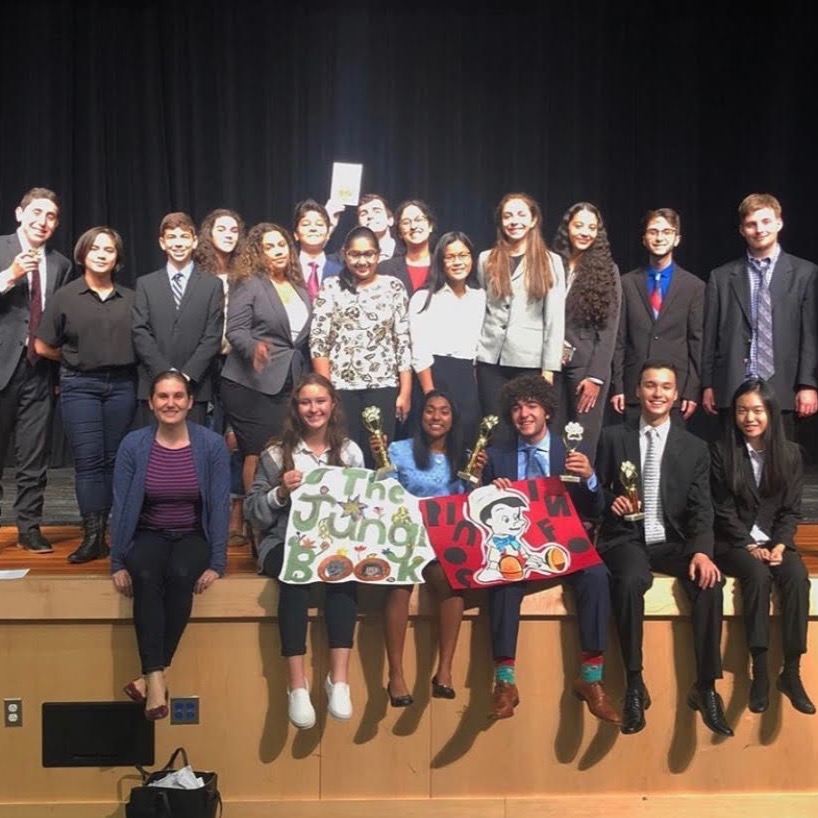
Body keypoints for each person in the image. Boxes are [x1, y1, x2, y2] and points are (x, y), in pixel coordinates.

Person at [595, 360, 731, 736]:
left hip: (673, 541)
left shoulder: (695, 448)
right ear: (637, 391)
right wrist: (609, 501)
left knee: (710, 582)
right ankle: (634, 684)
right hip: (626, 537)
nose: (657, 393)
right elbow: (595, 492)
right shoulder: (613, 437)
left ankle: (706, 686)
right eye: (650, 385)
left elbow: (702, 508)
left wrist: (701, 551)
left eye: (666, 387)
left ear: (676, 395)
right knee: (629, 581)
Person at [481, 374, 618, 724]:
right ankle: (505, 683)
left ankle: (591, 679)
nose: (524, 414)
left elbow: (597, 509)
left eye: (531, 406)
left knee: (597, 575)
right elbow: (479, 516)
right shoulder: (496, 457)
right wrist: (491, 492)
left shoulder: (571, 451)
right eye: (516, 408)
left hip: (563, 545)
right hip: (517, 548)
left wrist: (589, 478)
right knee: (502, 579)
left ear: (547, 412)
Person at [244, 373, 365, 729]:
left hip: (334, 545)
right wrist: (280, 492)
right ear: (296, 408)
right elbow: (253, 513)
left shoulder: (351, 452)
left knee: (343, 575)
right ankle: (296, 686)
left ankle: (338, 680)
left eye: (320, 401)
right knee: (295, 575)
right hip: (282, 544)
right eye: (306, 402)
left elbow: (362, 509)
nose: (314, 409)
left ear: (333, 405)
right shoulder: (275, 453)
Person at [110, 370, 229, 720]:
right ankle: (156, 677)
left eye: (178, 396)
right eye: (163, 396)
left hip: (192, 534)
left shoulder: (211, 445)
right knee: (146, 575)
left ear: (191, 402)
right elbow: (121, 505)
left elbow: (220, 506)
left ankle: (150, 678)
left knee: (180, 575)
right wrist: (117, 562)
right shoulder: (133, 445)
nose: (170, 403)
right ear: (151, 403)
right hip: (148, 532)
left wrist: (217, 562)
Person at [371, 390, 484, 705]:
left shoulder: (465, 456)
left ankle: (444, 670)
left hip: (443, 541)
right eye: (430, 410)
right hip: (404, 538)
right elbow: (383, 494)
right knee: (399, 585)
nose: (436, 417)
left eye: (444, 411)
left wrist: (477, 477)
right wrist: (378, 460)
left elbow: (471, 503)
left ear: (453, 418)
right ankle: (395, 675)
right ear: (420, 415)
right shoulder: (398, 450)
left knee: (451, 583)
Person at [712, 379, 814, 715]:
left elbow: (791, 510)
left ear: (770, 412)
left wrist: (782, 545)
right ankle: (759, 670)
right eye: (742, 410)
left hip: (774, 541)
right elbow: (722, 509)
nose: (749, 418)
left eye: (757, 410)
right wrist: (747, 543)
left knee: (797, 578)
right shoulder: (722, 452)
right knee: (756, 576)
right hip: (733, 542)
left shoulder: (790, 454)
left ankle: (791, 671)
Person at [35, 227, 136, 564]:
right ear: (83, 254)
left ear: (117, 258)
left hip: (121, 386)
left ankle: (114, 531)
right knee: (89, 460)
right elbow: (42, 345)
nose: (102, 254)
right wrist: (73, 358)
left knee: (113, 460)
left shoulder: (131, 299)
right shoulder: (66, 296)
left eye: (109, 249)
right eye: (95, 248)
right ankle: (92, 537)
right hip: (80, 386)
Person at [702, 193, 818, 438]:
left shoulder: (805, 274)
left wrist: (807, 384)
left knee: (782, 457)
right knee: (733, 458)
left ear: (779, 223)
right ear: (742, 230)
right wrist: (708, 384)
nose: (759, 229)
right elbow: (710, 336)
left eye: (766, 221)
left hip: (784, 387)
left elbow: (809, 335)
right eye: (751, 224)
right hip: (733, 386)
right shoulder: (721, 277)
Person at [0, 187, 73, 553]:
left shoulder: (61, 264)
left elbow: (58, 322)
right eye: (37, 212)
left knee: (34, 456)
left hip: (39, 371)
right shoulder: (1, 249)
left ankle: (29, 527)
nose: (43, 221)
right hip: (1, 367)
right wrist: (10, 275)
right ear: (20, 213)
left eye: (51, 216)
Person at [220, 222, 311, 493]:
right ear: (258, 253)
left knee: (283, 449)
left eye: (281, 245)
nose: (278, 251)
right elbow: (235, 330)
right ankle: (255, 512)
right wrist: (255, 348)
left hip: (288, 380)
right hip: (250, 383)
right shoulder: (250, 284)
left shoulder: (299, 288)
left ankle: (277, 509)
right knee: (259, 451)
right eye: (269, 247)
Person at [310, 226, 412, 468]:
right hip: (340, 388)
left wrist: (405, 391)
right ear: (344, 254)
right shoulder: (331, 286)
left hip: (383, 385)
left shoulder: (393, 287)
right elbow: (318, 341)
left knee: (380, 457)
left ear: (378, 254)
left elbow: (402, 340)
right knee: (343, 456)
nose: (362, 261)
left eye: (369, 254)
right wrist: (327, 392)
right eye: (355, 254)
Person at [475, 192, 565, 421]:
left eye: (521, 215)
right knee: (494, 426)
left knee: (527, 425)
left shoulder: (551, 261)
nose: (514, 221)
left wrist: (549, 369)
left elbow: (554, 320)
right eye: (508, 216)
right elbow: (481, 310)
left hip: (530, 361)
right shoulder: (486, 259)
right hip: (490, 360)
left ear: (533, 219)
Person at [611, 208, 704, 423]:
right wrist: (618, 386)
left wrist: (691, 390)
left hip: (675, 391)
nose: (659, 237)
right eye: (653, 232)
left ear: (677, 239)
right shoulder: (626, 283)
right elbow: (619, 340)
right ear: (644, 239)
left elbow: (696, 342)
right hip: (634, 388)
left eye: (666, 232)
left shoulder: (694, 287)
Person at [132, 212, 224, 427]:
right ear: (162, 243)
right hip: (153, 384)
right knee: (153, 445)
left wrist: (187, 375)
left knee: (193, 445)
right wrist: (164, 373)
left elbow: (213, 335)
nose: (178, 243)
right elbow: (140, 332)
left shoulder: (212, 285)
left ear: (194, 241)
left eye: (184, 236)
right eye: (172, 237)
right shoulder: (145, 284)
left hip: (196, 387)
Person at [193, 208, 250, 545]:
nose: (228, 234)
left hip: (239, 364)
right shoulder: (196, 272)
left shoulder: (247, 273)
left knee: (236, 440)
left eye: (234, 229)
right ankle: (203, 512)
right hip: (204, 364)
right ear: (208, 233)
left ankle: (236, 516)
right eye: (221, 229)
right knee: (204, 438)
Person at [551, 202, 621, 460]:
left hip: (586, 367)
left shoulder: (608, 270)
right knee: (550, 436)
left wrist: (595, 377)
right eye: (579, 225)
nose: (584, 232)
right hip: (550, 365)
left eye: (591, 228)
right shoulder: (551, 263)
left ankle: (581, 487)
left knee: (581, 440)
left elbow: (610, 329)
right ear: (567, 228)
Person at [409, 231, 486, 443]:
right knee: (433, 442)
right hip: (434, 374)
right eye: (450, 257)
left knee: (466, 441)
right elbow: (419, 350)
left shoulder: (480, 296)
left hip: (467, 379)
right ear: (440, 261)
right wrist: (430, 393)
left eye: (463, 255)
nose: (457, 262)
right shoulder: (423, 297)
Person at [378, 199, 435, 297]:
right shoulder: (384, 269)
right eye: (406, 222)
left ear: (430, 226)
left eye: (418, 220)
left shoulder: (443, 267)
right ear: (400, 233)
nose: (413, 226)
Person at [293, 199, 342, 302]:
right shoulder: (287, 270)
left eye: (319, 224)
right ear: (296, 234)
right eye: (306, 224)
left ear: (328, 234)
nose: (313, 229)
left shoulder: (341, 272)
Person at [357, 193, 402, 261]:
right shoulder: (351, 255)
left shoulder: (407, 252)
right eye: (363, 214)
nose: (370, 216)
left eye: (377, 211)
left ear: (390, 220)